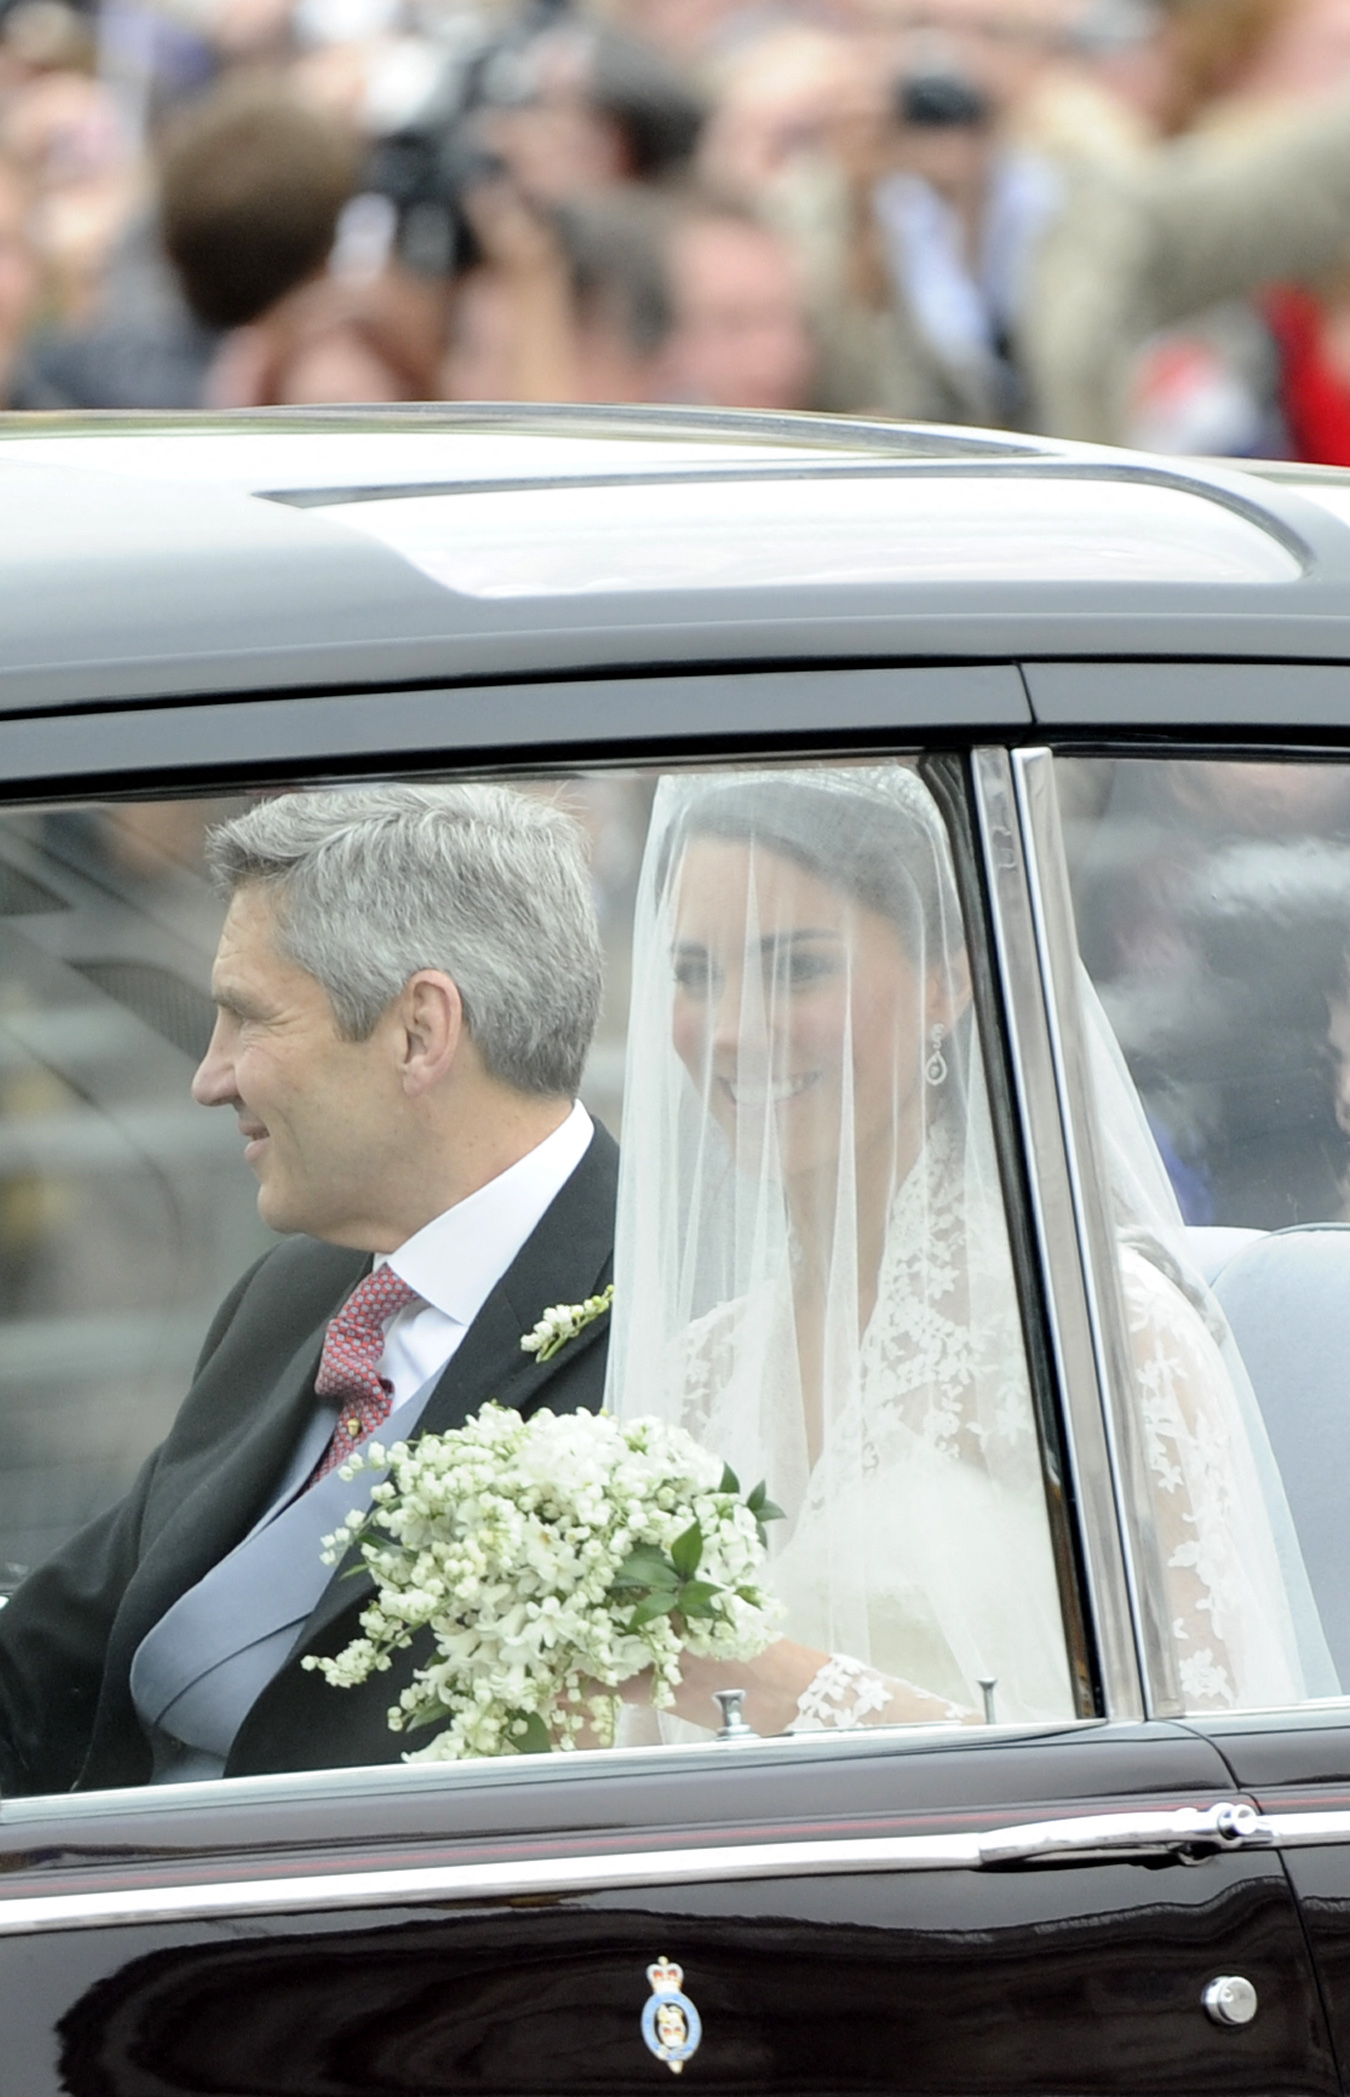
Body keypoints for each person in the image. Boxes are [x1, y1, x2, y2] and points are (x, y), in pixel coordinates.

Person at [606, 764, 1325, 1742]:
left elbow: (1209, 1776)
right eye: (695, 975)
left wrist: (794, 1693)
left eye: (798, 967)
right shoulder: (697, 1372)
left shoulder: (1098, 1342)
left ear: (949, 982)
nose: (731, 1030)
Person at [0, 785, 617, 1795]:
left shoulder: (665, 1324)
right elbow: (44, 1665)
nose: (211, 1076)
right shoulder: (299, 1292)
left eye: (248, 1019)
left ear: (420, 1031)